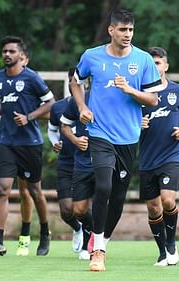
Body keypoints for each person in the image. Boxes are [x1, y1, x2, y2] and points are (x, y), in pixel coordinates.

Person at [70, 9, 163, 271]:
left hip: (129, 137)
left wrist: (130, 90)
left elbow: (153, 100)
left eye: (131, 30)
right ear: (111, 30)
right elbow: (75, 82)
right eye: (122, 30)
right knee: (103, 187)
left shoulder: (143, 60)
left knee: (119, 197)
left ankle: (102, 241)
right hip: (99, 133)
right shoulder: (92, 56)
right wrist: (82, 108)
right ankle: (97, 250)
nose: (127, 35)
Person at [0, 35, 55, 256]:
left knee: (34, 191)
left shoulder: (32, 78)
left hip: (29, 144)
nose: (7, 54)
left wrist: (29, 117)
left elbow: (51, 103)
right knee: (1, 189)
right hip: (6, 142)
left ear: (21, 56)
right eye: (4, 51)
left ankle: (44, 232)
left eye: (11, 51)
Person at [139, 47, 179, 266]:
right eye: (151, 63)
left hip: (171, 154)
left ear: (166, 66)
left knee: (168, 200)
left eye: (158, 63)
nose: (155, 66)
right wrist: (137, 125)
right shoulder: (139, 93)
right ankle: (162, 252)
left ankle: (171, 244)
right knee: (153, 207)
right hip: (147, 158)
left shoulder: (177, 90)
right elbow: (126, 120)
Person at [60, 83, 95, 261]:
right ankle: (92, 231)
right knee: (78, 210)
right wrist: (75, 140)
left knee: (102, 205)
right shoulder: (77, 101)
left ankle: (95, 244)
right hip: (82, 163)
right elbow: (64, 126)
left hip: (105, 161)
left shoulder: (112, 98)